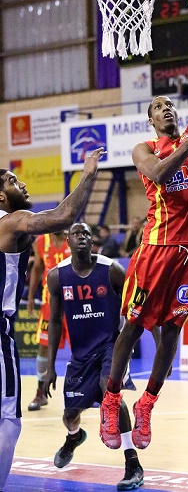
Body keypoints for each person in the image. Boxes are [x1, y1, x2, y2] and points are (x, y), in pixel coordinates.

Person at [99, 5, 188, 451]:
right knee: (133, 327)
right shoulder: (143, 149)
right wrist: (187, 145)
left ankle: (147, 406)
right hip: (156, 250)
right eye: (158, 108)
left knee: (172, 332)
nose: (167, 109)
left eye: (169, 105)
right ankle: (112, 398)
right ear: (151, 121)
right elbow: (156, 174)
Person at [0, 147, 105, 492]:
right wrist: (88, 174)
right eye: (15, 181)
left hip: (58, 310)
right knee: (8, 422)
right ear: (2, 196)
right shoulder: (11, 221)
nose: (24, 184)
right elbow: (63, 216)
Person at [43, 222, 143, 490]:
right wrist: (49, 367)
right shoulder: (57, 276)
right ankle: (74, 436)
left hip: (112, 346)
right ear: (68, 241)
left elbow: (136, 304)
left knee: (110, 393)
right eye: (76, 234)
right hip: (80, 355)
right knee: (70, 413)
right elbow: (54, 322)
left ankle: (132, 462)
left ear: (92, 241)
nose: (82, 237)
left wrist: (137, 339)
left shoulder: (111, 270)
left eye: (86, 233)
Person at [26, 231, 71, 411]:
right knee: (44, 345)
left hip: (73, 298)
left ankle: (85, 392)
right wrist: (30, 296)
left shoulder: (73, 238)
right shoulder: (40, 241)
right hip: (50, 301)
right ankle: (40, 391)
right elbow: (37, 268)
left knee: (80, 345)